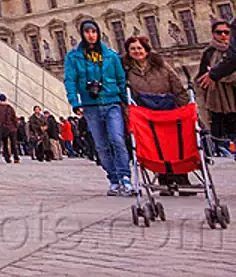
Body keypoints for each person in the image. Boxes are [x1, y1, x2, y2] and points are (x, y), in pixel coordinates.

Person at [63, 19, 131, 196]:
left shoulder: (111, 55)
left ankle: (125, 177)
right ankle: (113, 178)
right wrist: (74, 102)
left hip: (112, 102)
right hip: (90, 105)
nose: (91, 35)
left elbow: (121, 79)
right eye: (87, 32)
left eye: (94, 31)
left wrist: (127, 102)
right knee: (101, 145)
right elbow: (69, 80)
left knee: (117, 140)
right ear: (82, 34)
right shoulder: (73, 57)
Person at [122, 34, 192, 192]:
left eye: (139, 48)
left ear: (146, 50)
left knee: (174, 146)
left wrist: (182, 109)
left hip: (169, 113)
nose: (136, 51)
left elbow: (178, 87)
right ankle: (163, 179)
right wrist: (130, 115)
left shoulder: (162, 66)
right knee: (155, 148)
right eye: (132, 49)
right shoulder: (127, 72)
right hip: (146, 116)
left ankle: (182, 178)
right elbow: (127, 96)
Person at [197, 20, 236, 155]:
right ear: (213, 34)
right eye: (219, 32)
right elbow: (202, 77)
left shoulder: (232, 51)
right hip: (216, 100)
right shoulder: (208, 52)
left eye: (226, 32)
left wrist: (217, 74)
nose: (223, 35)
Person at [0, 94, 19, 163]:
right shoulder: (9, 107)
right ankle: (16, 157)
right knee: (13, 143)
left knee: (4, 143)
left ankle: (7, 158)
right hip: (11, 127)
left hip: (2, 128)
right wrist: (15, 126)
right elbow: (14, 118)